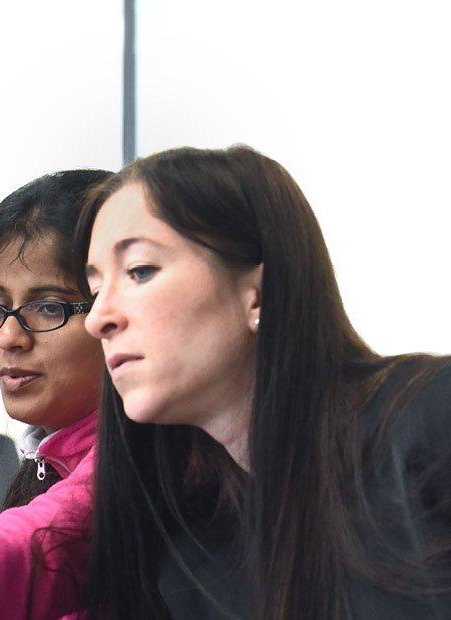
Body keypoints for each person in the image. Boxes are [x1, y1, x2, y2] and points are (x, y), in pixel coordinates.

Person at [79, 145, 451, 618]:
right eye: (94, 292)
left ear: (259, 293)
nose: (97, 320)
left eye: (140, 271)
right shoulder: (192, 567)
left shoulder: (433, 418)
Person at [0, 170, 109, 618]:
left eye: (48, 307)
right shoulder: (50, 459)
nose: (8, 337)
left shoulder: (148, 457)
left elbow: (32, 544)